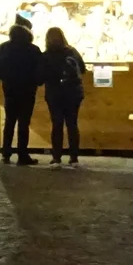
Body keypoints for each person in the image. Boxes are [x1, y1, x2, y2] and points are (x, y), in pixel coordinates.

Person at [0, 18, 42, 166]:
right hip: (27, 89)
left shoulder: (4, 48)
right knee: (24, 123)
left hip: (10, 88)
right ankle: (22, 155)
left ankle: (6, 153)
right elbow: (39, 71)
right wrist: (35, 81)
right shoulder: (33, 50)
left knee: (10, 121)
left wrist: (6, 77)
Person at [41, 26, 88, 166]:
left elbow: (40, 77)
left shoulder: (46, 55)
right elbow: (83, 69)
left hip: (54, 94)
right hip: (73, 93)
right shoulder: (72, 52)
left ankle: (56, 158)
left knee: (57, 125)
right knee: (72, 125)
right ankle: (74, 158)